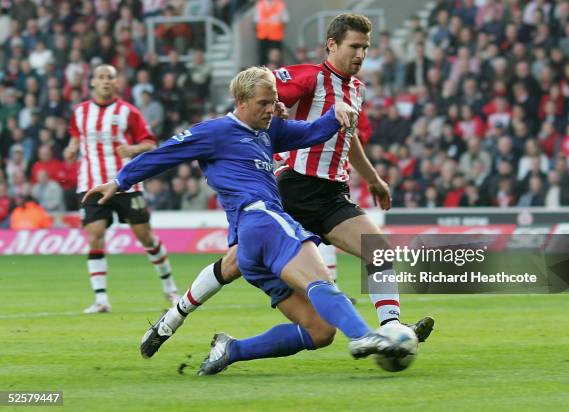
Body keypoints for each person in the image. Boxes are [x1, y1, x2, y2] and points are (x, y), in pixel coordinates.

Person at [141, 13, 435, 359]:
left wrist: (372, 179)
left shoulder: (357, 90)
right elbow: (267, 94)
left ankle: (390, 330)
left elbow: (348, 137)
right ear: (332, 45)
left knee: (380, 252)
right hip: (292, 188)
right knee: (234, 264)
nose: (360, 55)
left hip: (331, 196)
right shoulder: (310, 76)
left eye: (365, 48)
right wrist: (279, 105)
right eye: (354, 46)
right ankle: (172, 319)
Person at [84, 67, 408, 374]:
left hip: (249, 247)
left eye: (274, 101)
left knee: (320, 331)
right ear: (241, 102)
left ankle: (231, 350)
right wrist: (120, 181)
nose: (272, 109)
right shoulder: (215, 132)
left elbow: (311, 132)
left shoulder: (269, 131)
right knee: (320, 281)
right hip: (262, 220)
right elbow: (163, 153)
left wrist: (335, 113)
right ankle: (364, 336)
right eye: (263, 103)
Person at [63, 64, 180, 314]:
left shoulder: (128, 112)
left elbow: (150, 143)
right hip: (91, 185)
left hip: (126, 184)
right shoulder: (79, 112)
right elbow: (75, 139)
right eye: (101, 77)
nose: (106, 81)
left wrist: (133, 149)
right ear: (92, 82)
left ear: (117, 83)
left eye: (110, 78)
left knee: (146, 237)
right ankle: (101, 299)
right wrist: (70, 150)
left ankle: (171, 289)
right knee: (95, 235)